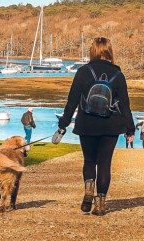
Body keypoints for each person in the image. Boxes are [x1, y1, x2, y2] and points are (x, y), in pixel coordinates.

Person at [56, 37, 134, 217]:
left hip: (87, 124)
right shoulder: (118, 75)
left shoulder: (83, 72)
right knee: (105, 164)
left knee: (89, 161)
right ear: (109, 51)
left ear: (93, 51)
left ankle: (88, 191)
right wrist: (130, 128)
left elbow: (72, 101)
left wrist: (63, 124)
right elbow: (125, 105)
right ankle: (100, 204)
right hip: (111, 125)